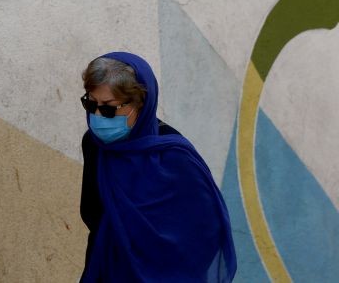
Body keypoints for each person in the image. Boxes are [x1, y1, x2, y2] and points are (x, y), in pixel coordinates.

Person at [78, 52, 236, 282]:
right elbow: (92, 212)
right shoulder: (94, 144)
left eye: (109, 108)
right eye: (90, 104)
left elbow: (206, 231)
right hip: (106, 266)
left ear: (140, 104)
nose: (98, 116)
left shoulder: (173, 155)